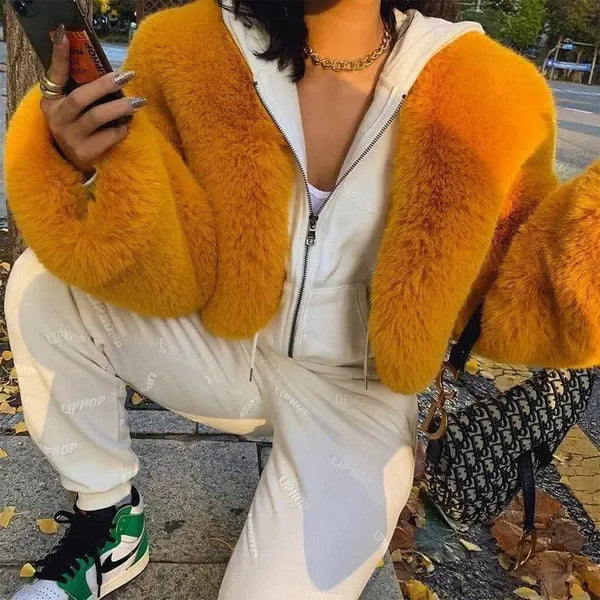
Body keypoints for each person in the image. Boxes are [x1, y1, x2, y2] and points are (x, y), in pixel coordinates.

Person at [3, 0, 600, 597]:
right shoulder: (188, 47)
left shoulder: (487, 87)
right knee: (43, 287)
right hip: (223, 351)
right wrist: (84, 166)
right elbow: (164, 242)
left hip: (356, 398)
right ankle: (109, 519)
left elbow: (521, 291)